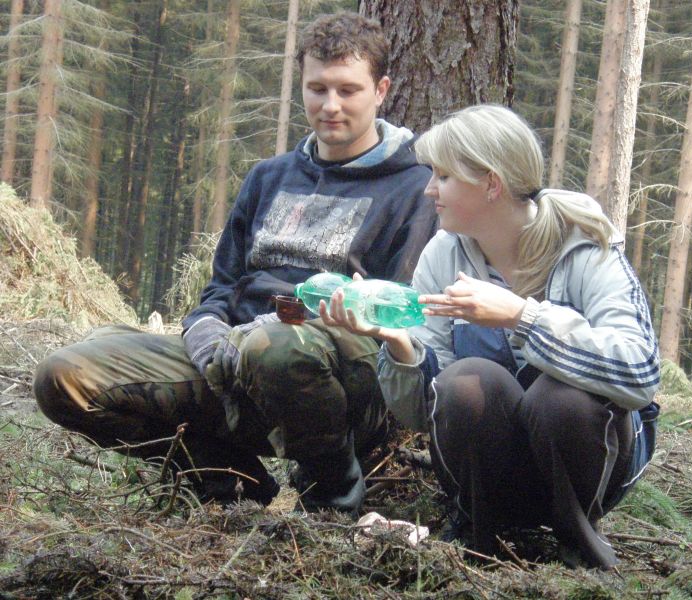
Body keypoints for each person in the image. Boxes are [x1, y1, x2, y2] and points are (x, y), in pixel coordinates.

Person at [33, 12, 437, 517]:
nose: (330, 105)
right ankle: (230, 483)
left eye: (347, 90)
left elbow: (398, 313)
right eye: (317, 89)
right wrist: (206, 331)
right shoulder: (269, 177)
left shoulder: (415, 187)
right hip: (234, 361)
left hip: (341, 377)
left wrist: (267, 331)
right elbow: (222, 286)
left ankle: (331, 501)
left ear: (381, 91)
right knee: (64, 377)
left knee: (276, 349)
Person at [321, 104, 660, 568]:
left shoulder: (586, 248)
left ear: (491, 184)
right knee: (468, 380)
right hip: (495, 475)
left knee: (560, 397)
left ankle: (580, 546)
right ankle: (481, 538)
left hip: (593, 466)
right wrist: (399, 343)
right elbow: (425, 413)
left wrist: (523, 317)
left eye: (443, 176)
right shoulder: (443, 255)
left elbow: (641, 373)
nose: (429, 189)